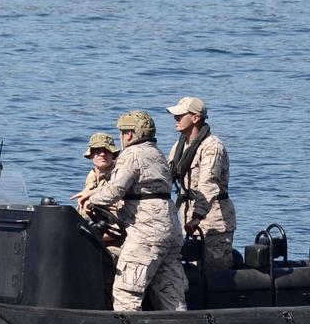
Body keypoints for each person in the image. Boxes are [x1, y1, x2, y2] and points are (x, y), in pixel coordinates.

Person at [73, 110, 185, 312]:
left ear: (130, 134)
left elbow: (114, 191)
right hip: (170, 229)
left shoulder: (131, 155)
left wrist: (91, 199)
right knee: (170, 293)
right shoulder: (157, 154)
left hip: (146, 231)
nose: (122, 138)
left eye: (123, 133)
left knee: (126, 291)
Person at [166, 95, 235, 271]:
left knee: (214, 274)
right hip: (187, 216)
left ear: (196, 118)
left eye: (181, 115)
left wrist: (197, 217)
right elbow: (167, 174)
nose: (176, 119)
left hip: (212, 221)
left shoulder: (212, 147)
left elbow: (208, 183)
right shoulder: (180, 145)